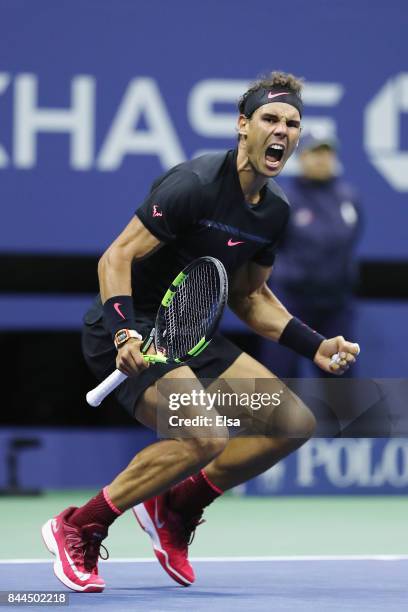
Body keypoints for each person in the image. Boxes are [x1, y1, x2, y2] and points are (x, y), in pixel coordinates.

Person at [41, 71, 360, 592]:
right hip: (129, 327)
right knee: (205, 434)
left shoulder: (274, 212)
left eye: (293, 123)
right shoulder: (193, 183)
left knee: (290, 423)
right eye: (270, 119)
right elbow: (116, 257)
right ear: (243, 126)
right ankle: (80, 525)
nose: (282, 130)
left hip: (192, 334)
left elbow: (251, 298)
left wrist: (315, 343)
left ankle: (177, 507)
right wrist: (124, 333)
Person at [265, 131, 361, 379]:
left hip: (336, 305)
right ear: (302, 157)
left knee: (341, 377)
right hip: (292, 304)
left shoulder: (349, 198)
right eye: (315, 152)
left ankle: (344, 419)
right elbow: (270, 247)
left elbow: (352, 239)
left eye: (327, 152)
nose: (322, 159)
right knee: (282, 376)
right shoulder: (284, 199)